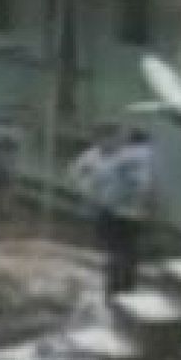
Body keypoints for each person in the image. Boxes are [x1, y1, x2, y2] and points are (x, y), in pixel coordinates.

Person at [70, 124, 127, 303]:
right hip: (102, 208)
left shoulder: (124, 155)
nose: (114, 141)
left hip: (124, 209)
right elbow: (76, 172)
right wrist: (87, 189)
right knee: (108, 246)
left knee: (121, 249)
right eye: (111, 137)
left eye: (118, 137)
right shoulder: (92, 156)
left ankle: (119, 282)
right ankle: (111, 283)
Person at [102, 128, 159, 300]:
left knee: (115, 249)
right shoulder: (147, 155)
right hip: (131, 212)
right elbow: (145, 184)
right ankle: (127, 288)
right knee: (130, 249)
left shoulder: (120, 154)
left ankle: (112, 287)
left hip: (111, 209)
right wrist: (146, 209)